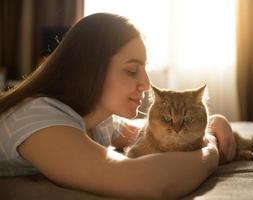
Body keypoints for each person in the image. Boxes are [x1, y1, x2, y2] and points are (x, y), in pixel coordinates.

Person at [0, 13, 236, 199]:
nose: (145, 84)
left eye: (144, 69)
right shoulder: (38, 118)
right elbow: (150, 183)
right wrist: (211, 149)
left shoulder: (99, 121)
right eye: (132, 70)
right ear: (90, 69)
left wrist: (214, 122)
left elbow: (153, 134)